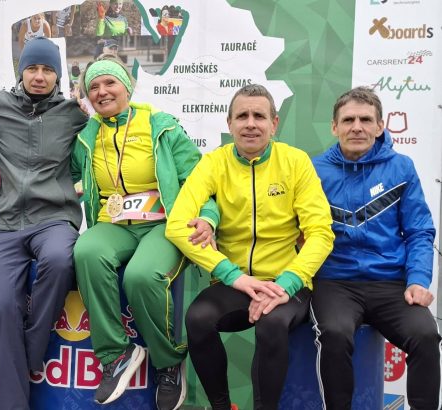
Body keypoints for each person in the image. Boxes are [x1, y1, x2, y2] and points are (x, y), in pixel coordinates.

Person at [165, 84, 335, 410]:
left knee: (271, 324)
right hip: (236, 282)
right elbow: (177, 225)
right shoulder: (214, 163)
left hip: (286, 283)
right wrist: (233, 276)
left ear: (274, 123)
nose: (251, 123)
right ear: (229, 124)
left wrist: (287, 283)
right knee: (198, 318)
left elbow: (321, 233)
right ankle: (221, 407)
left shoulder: (295, 162)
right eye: (242, 116)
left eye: (259, 116)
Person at [71, 56, 218, 409]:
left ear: (127, 87)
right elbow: (65, 174)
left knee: (140, 276)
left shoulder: (161, 126)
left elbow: (200, 179)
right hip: (114, 224)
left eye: (110, 83)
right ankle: (115, 355)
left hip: (163, 224)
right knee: (86, 252)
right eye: (94, 87)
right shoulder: (86, 137)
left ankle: (169, 363)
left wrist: (208, 217)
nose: (102, 92)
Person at [310, 87, 441, 410]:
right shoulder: (313, 170)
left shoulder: (402, 167)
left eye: (366, 120)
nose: (357, 127)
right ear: (334, 127)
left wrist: (418, 280)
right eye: (348, 120)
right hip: (335, 282)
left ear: (380, 126)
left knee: (426, 336)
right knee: (335, 334)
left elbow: (419, 231)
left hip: (390, 283)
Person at [0, 37, 88, 410]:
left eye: (47, 70)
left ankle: (29, 353)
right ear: (20, 72)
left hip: (54, 218)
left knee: (59, 260)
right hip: (3, 222)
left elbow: (106, 139)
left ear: (57, 76)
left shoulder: (72, 114)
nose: (39, 76)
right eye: (32, 68)